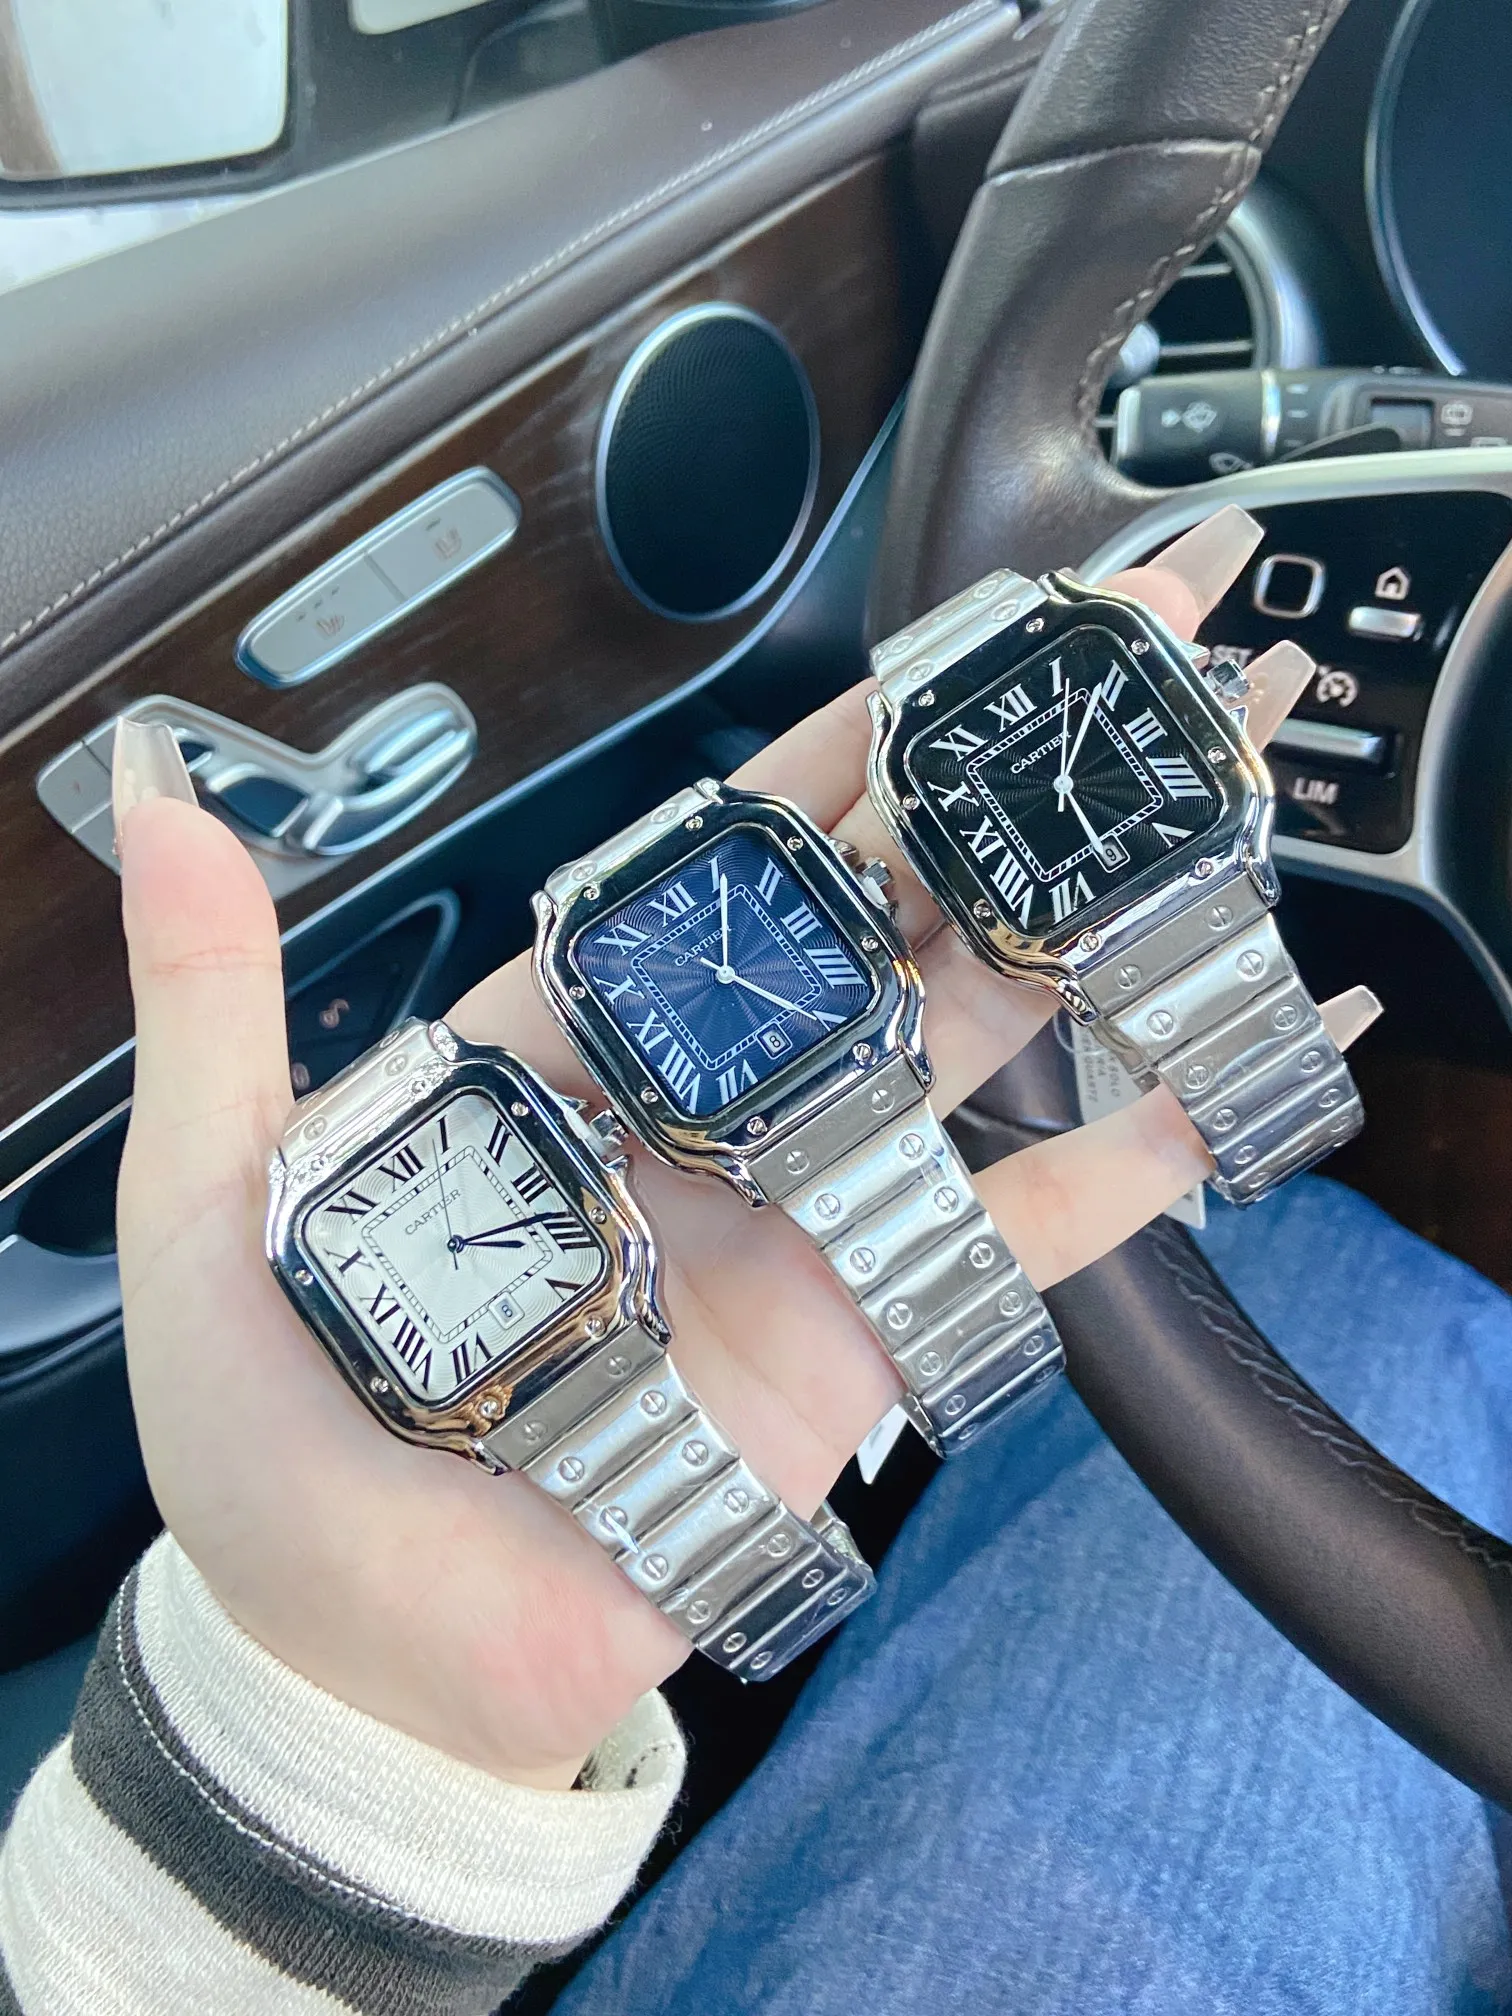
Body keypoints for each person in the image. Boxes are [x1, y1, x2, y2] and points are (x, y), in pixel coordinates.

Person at [3, 507, 1497, 2015]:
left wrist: (345, 1753)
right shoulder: (559, 1238)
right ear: (594, 1166)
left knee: (1326, 1286)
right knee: (1350, 1289)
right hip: (623, 1279)